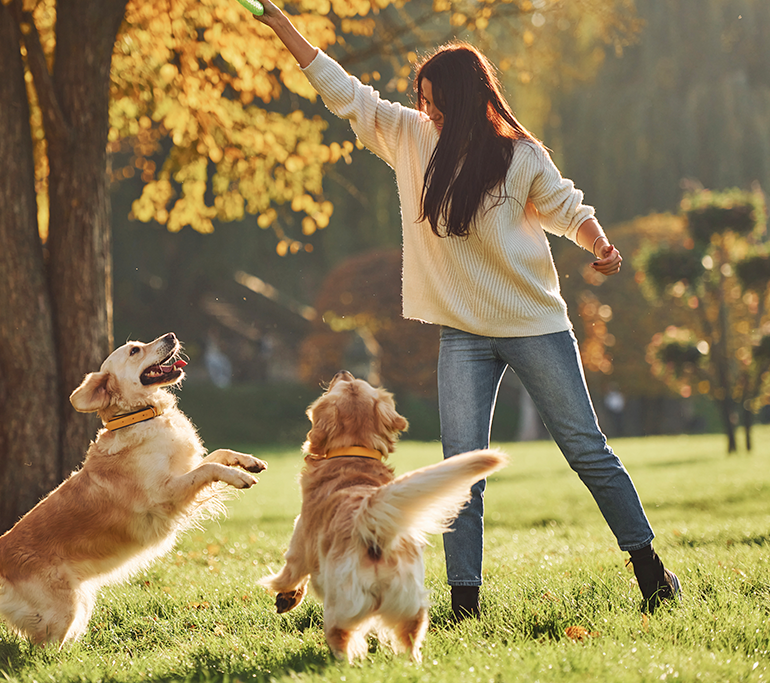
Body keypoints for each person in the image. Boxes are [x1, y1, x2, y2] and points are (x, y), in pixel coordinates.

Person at [253, 1, 681, 619]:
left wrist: (600, 245)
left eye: (435, 100)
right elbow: (343, 90)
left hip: (536, 326)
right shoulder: (406, 136)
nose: (425, 110)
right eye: (420, 98)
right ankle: (465, 606)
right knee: (460, 475)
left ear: (466, 98)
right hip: (464, 338)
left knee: (588, 450)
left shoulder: (520, 156)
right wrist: (282, 26)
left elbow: (567, 208)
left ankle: (650, 572)